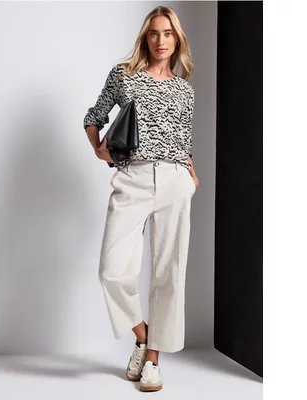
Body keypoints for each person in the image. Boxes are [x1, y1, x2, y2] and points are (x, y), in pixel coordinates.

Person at [83, 5, 199, 392]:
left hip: (175, 180)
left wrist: (190, 173)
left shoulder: (185, 90)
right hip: (133, 177)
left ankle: (152, 361)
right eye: (154, 33)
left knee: (169, 273)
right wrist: (98, 146)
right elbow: (94, 115)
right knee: (112, 271)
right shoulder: (124, 75)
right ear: (145, 37)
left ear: (177, 39)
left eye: (168, 33)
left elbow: (182, 139)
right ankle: (145, 337)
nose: (160, 40)